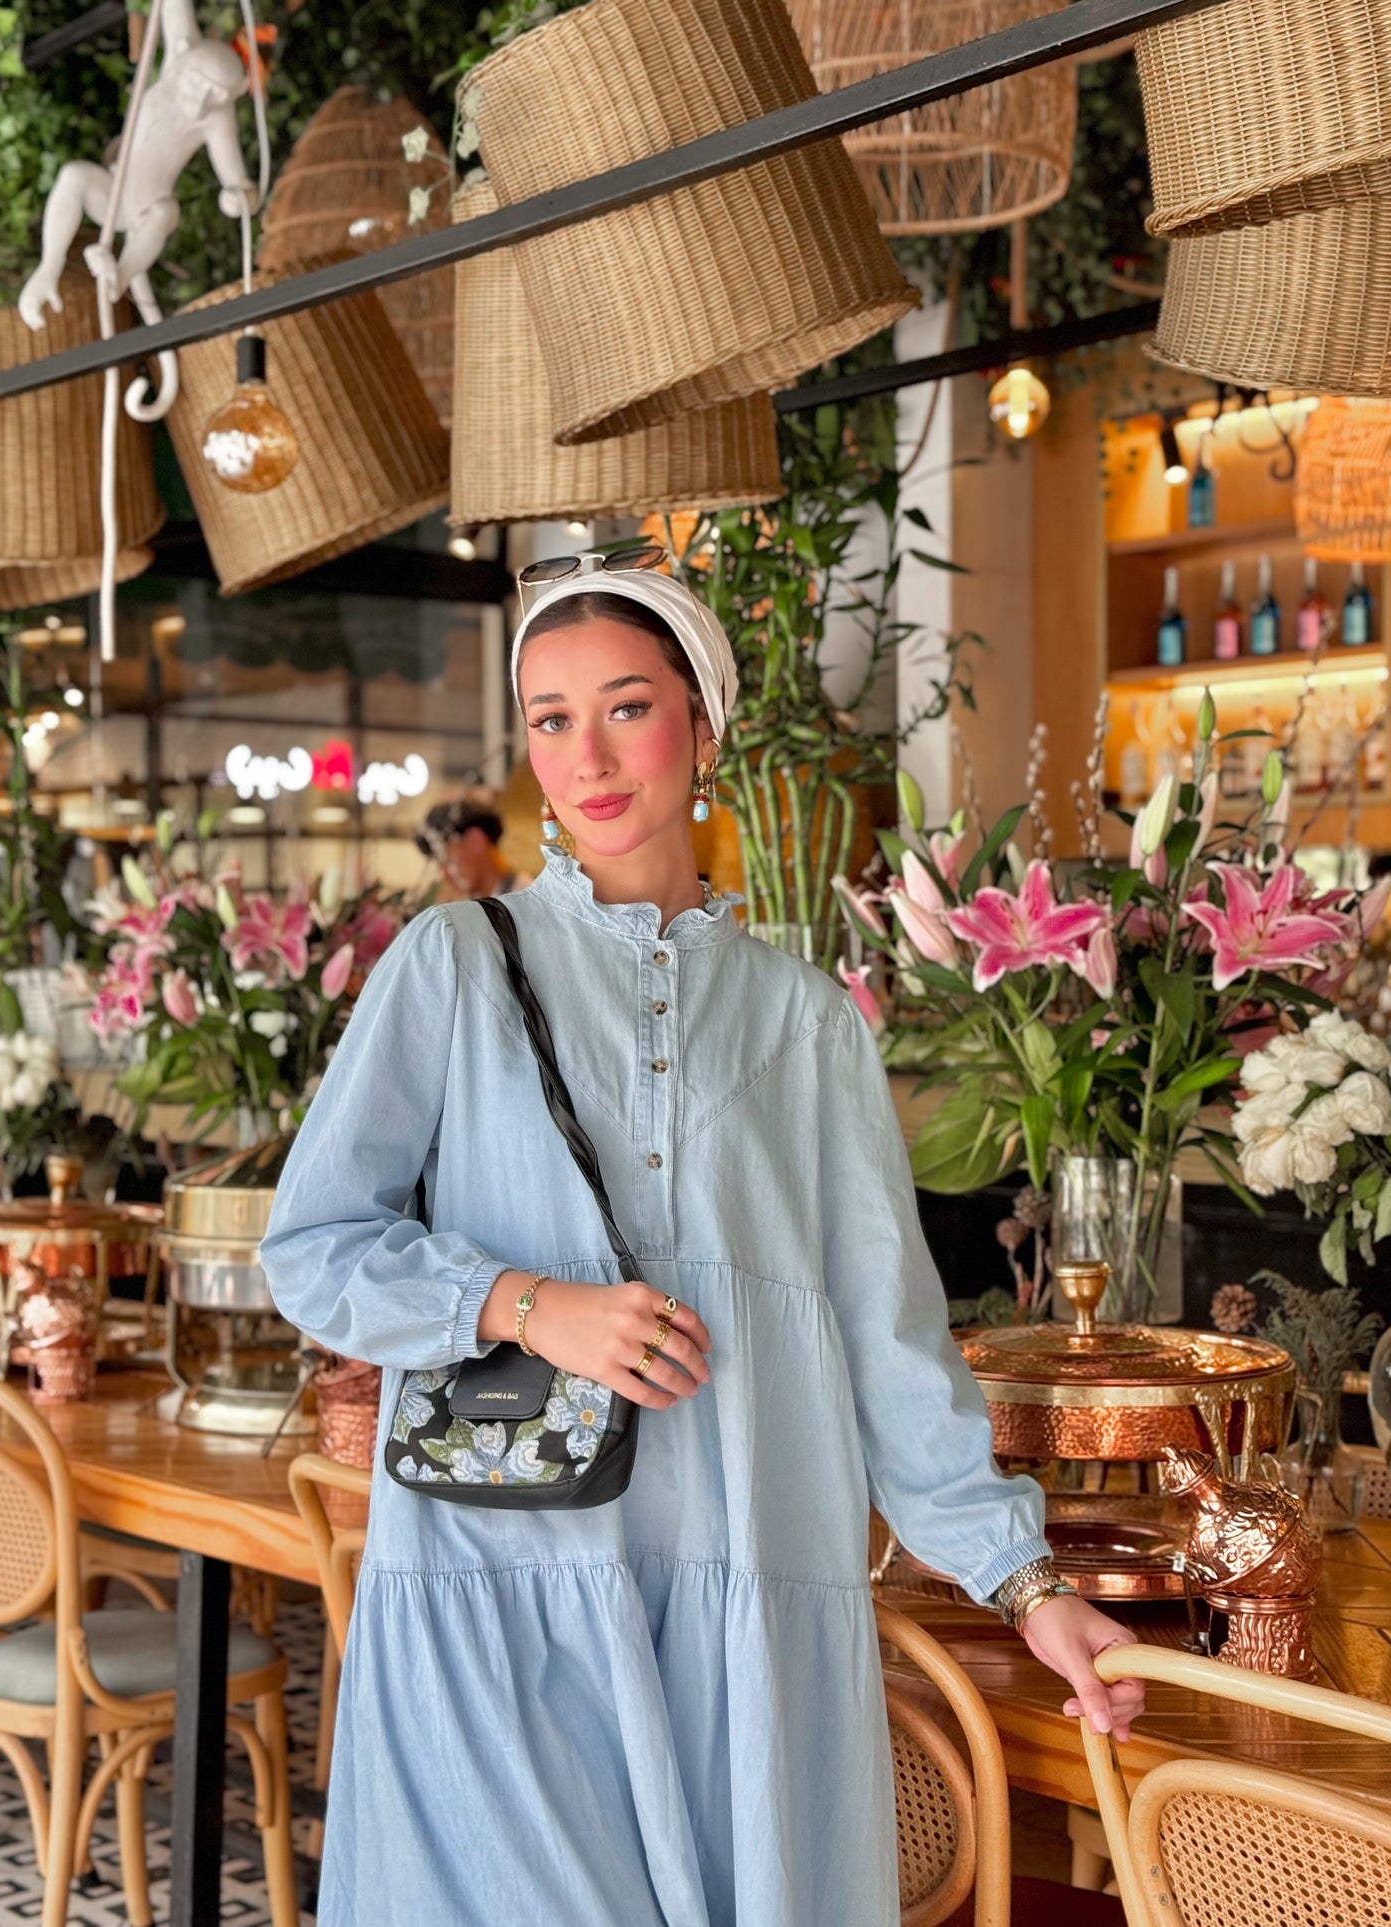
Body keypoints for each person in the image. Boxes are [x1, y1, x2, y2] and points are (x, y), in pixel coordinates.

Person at [260, 554, 1143, 1926]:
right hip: (503, 1582)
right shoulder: (453, 962)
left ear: (704, 724)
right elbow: (310, 1245)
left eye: (625, 706)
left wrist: (1029, 1586)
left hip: (743, 1584)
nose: (587, 755)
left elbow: (885, 1335)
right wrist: (521, 1300)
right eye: (549, 719)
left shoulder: (808, 1023)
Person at [414, 794, 530, 899]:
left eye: (447, 859)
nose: (445, 876)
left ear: (476, 841)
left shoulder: (524, 898)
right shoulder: (484, 909)